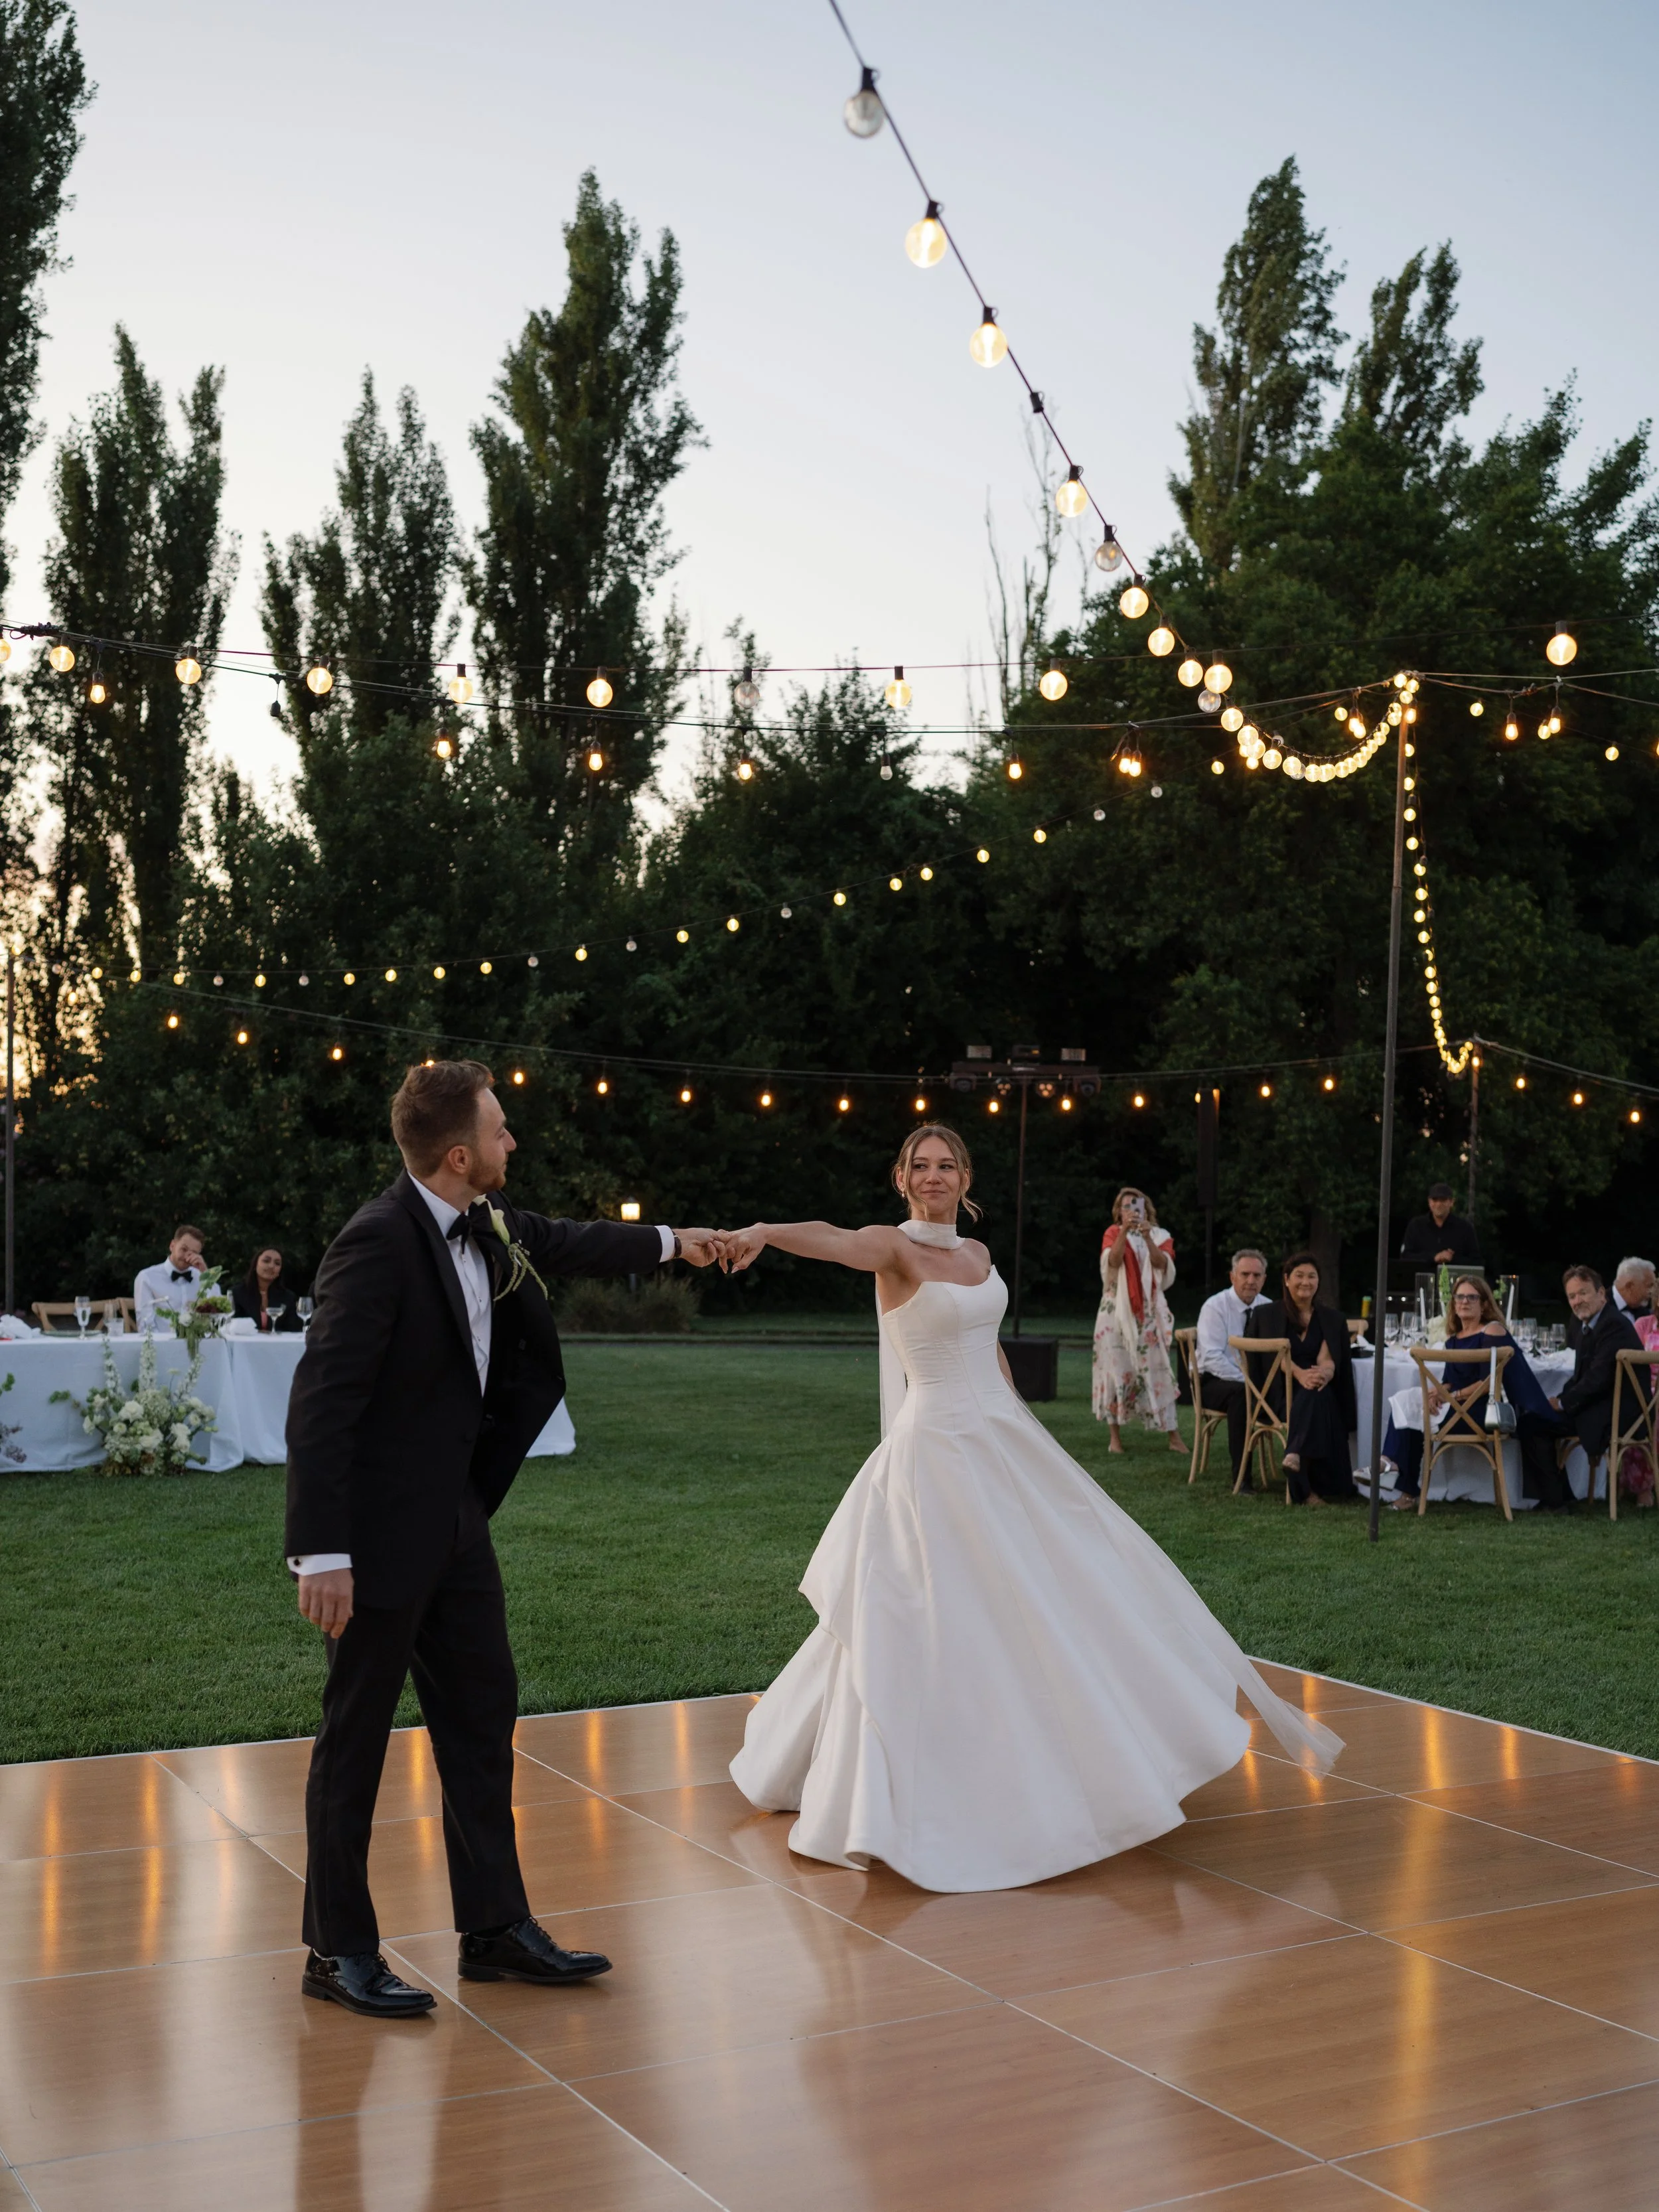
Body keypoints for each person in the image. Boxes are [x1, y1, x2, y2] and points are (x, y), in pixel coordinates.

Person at [721, 1126, 1341, 1893]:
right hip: (936, 1449)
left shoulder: (977, 1258)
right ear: (902, 1177)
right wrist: (763, 1234)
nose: (934, 1176)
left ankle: (1071, 1759)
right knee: (929, 1613)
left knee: (1055, 1594)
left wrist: (1020, 1425)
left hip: (1001, 1438)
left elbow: (989, 1349)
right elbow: (832, 1239)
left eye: (946, 1165)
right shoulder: (893, 1249)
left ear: (965, 1176)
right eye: (920, 1165)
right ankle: (922, 1789)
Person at [284, 1058, 720, 2018]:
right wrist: (322, 1550)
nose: (512, 1142)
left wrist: (676, 1241)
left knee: (482, 1721)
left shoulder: (485, 1224)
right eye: (500, 1129)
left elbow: (571, 1242)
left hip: (457, 1528)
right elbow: (322, 1402)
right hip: (377, 1541)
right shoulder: (376, 1243)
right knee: (354, 1738)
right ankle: (336, 1949)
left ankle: (493, 1928)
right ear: (456, 1152)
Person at [1382, 1275, 1553, 1509]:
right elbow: (1450, 1382)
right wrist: (1436, 1394)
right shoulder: (1453, 1340)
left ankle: (1399, 1479)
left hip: (1480, 1412)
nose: (1464, 1302)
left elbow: (1488, 1382)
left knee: (1413, 1416)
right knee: (1406, 1401)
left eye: (1471, 1297)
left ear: (1483, 1304)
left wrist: (1452, 1397)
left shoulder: (1492, 1331)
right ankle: (1390, 1466)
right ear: (1453, 1303)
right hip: (1458, 1407)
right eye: (1459, 1297)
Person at [1525, 1265, 1650, 1511]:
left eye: (1583, 1293)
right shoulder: (1589, 1323)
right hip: (1603, 1406)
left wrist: (1562, 1404)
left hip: (1619, 1414)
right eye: (1572, 1296)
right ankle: (1561, 1496)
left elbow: (1598, 1379)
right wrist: (1559, 1399)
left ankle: (1556, 1500)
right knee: (1535, 1419)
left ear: (1601, 1294)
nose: (1577, 1301)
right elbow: (1582, 1377)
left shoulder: (1612, 1325)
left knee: (1532, 1424)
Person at [1092, 1186, 1181, 1453]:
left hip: (1148, 1314)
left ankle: (1174, 1437)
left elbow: (1162, 1267)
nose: (1130, 1210)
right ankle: (1115, 1439)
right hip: (1115, 1313)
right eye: (1125, 1206)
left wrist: (1147, 1237)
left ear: (1146, 1208)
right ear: (1119, 1211)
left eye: (1135, 1205)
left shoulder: (1160, 1235)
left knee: (1159, 1370)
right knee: (1116, 1370)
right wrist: (1123, 1232)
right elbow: (1113, 1262)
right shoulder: (1112, 1233)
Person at [1264, 1254, 1358, 1505]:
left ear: (1319, 1282)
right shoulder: (1268, 1315)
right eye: (1299, 1275)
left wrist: (1325, 1374)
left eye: (1312, 1276)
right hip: (1280, 1392)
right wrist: (1299, 1373)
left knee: (1318, 1392)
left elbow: (1328, 1359)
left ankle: (1295, 1455)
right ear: (1286, 1280)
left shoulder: (1331, 1318)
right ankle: (1309, 1490)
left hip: (1317, 1388)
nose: (1306, 1282)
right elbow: (1273, 1357)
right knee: (1315, 1396)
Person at [1193, 1249, 1274, 1488]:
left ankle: (1304, 1474)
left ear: (1264, 1279)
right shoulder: (1215, 1307)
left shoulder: (1269, 1308)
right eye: (1245, 1274)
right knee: (1242, 1396)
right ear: (1233, 1277)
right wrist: (1248, 1383)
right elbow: (1211, 1358)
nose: (1251, 1281)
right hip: (1212, 1381)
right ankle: (1242, 1480)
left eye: (1257, 1275)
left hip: (1256, 1383)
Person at [133, 1224, 205, 1331]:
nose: (187, 1257)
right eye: (184, 1249)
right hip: (162, 1345)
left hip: (198, 1345)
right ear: (172, 1246)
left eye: (193, 1253)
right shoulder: (147, 1277)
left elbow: (219, 1314)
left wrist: (207, 1275)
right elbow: (146, 1326)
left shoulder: (202, 1277)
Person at [1398, 1184, 1480, 1267]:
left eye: (1443, 1200)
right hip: (1422, 1277)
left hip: (1454, 1278)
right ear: (1429, 1202)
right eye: (1435, 1200)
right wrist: (1434, 1257)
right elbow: (1405, 1256)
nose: (1439, 1204)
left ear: (1452, 1202)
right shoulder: (1416, 1225)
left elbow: (1476, 1261)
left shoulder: (1465, 1228)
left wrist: (1452, 1259)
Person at [232, 1246, 304, 1333]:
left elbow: (293, 1330)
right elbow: (231, 1326)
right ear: (255, 1265)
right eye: (266, 1261)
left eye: (277, 1263)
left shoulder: (288, 1297)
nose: (271, 1266)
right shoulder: (237, 1293)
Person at [1613, 1257, 1656, 1321]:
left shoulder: (1647, 1314)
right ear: (1630, 1287)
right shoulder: (1599, 1306)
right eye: (1649, 1286)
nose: (1652, 1292)